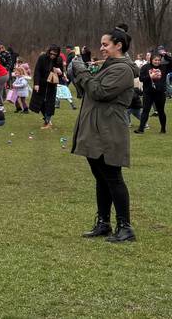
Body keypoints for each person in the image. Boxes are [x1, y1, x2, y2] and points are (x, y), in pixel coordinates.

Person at [70, 27, 137, 242]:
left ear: (119, 45)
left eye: (105, 44)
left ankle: (125, 227)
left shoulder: (123, 69)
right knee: (101, 178)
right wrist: (78, 74)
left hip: (109, 130)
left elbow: (100, 92)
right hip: (95, 129)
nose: (101, 48)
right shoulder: (107, 67)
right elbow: (88, 90)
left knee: (113, 177)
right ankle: (103, 223)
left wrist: (81, 71)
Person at [29, 45, 64, 129]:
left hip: (52, 85)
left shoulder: (59, 60)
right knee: (39, 103)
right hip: (41, 84)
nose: (52, 56)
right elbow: (37, 71)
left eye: (55, 54)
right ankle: (47, 119)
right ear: (49, 52)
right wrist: (36, 84)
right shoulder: (42, 58)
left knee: (49, 104)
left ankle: (47, 122)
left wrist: (60, 72)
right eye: (51, 53)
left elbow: (62, 72)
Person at [135, 53, 169, 134]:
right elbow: (141, 79)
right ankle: (141, 129)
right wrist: (150, 76)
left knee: (161, 111)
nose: (157, 62)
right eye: (155, 60)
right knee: (145, 111)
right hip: (148, 93)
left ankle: (163, 129)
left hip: (160, 93)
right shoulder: (145, 67)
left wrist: (165, 55)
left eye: (159, 60)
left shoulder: (163, 67)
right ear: (151, 60)